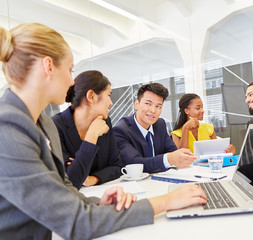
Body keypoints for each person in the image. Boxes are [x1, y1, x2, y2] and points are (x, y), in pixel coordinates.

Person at [0, 23, 207, 239]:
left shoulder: (43, 123)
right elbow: (76, 222)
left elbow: (65, 190)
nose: (72, 82)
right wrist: (167, 202)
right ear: (48, 66)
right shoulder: (7, 128)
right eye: (70, 70)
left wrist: (100, 203)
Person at [52, 70, 123, 189]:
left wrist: (92, 179)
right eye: (109, 95)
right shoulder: (56, 126)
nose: (111, 102)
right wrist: (92, 136)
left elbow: (117, 165)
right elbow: (71, 180)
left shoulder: (105, 122)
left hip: (103, 193)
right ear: (91, 96)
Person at [113, 83, 197, 173]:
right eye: (148, 104)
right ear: (136, 104)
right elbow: (135, 163)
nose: (153, 110)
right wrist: (169, 159)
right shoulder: (121, 130)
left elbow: (172, 151)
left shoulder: (160, 124)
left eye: (158, 106)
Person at [171, 93, 235, 154]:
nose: (202, 111)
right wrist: (185, 128)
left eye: (202, 107)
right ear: (186, 111)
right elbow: (182, 156)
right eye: (198, 108)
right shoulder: (176, 134)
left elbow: (216, 153)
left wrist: (228, 152)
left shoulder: (209, 128)